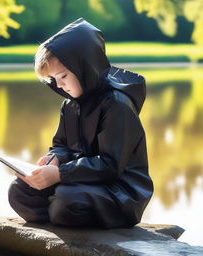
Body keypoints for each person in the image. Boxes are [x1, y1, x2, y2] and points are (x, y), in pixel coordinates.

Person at [8, 17, 154, 229]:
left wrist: (60, 174)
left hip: (119, 192)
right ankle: (59, 215)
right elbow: (62, 145)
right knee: (19, 191)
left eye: (63, 76)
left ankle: (60, 212)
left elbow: (110, 165)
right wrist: (54, 160)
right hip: (79, 183)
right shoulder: (70, 106)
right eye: (53, 80)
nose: (59, 85)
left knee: (68, 200)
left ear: (85, 66)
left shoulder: (118, 105)